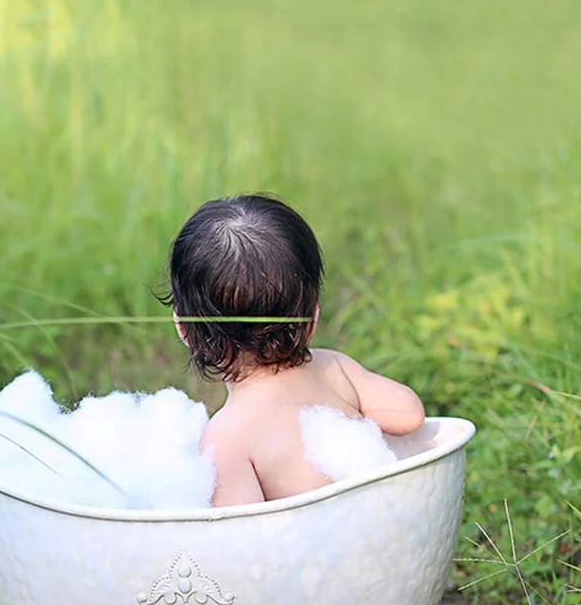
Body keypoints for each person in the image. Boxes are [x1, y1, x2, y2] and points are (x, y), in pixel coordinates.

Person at [165, 194, 425, 507]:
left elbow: (239, 539)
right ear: (312, 317)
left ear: (184, 329)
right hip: (389, 532)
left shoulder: (226, 439)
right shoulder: (336, 370)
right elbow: (410, 416)